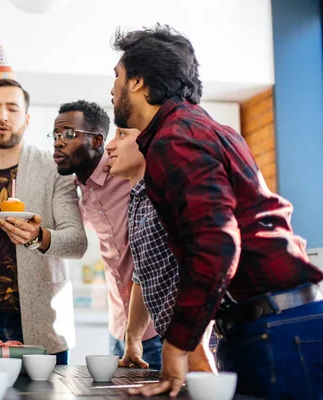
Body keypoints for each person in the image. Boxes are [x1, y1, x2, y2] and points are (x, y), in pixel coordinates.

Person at [109, 24, 323, 399]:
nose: (113, 90)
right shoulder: (201, 127)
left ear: (139, 82)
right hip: (283, 322)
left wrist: (176, 345)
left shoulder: (175, 138)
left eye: (118, 78)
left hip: (275, 330)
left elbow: (216, 244)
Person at [0, 48, 87, 365]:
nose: (3, 116)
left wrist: (40, 237)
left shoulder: (55, 169)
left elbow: (77, 242)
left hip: (47, 321)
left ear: (27, 117)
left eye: (12, 107)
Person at [51, 100, 162, 369]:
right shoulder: (78, 190)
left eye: (68, 134)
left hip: (159, 327)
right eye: (55, 135)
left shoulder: (128, 171)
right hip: (118, 327)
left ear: (97, 140)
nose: (57, 142)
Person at [104, 126, 217, 373]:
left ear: (148, 142)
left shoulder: (171, 192)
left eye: (121, 135)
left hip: (203, 342)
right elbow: (142, 276)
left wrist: (195, 347)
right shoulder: (138, 199)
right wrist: (133, 339)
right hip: (181, 342)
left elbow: (208, 268)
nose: (109, 146)